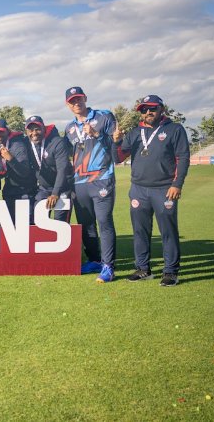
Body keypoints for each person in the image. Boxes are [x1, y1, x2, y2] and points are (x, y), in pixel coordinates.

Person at [113, 95, 190, 286]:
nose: (148, 112)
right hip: (139, 189)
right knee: (140, 231)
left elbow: (183, 157)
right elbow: (118, 158)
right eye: (144, 109)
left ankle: (170, 271)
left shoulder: (174, 129)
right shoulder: (134, 133)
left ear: (162, 109)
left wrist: (177, 184)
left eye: (152, 108)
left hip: (164, 189)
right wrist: (116, 142)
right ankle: (142, 269)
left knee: (168, 232)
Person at [63, 86, 118, 282]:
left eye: (79, 99)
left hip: (102, 177)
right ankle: (95, 260)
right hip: (80, 182)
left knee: (104, 222)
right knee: (86, 225)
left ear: (85, 98)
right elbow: (65, 156)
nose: (76, 103)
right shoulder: (69, 128)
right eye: (72, 101)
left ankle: (108, 266)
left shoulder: (104, 117)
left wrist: (97, 134)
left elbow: (117, 145)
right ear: (67, 104)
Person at [25, 116, 74, 222]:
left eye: (37, 129)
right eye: (30, 130)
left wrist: (55, 193)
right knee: (38, 218)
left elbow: (63, 169)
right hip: (44, 188)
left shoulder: (57, 142)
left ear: (44, 128)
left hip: (63, 188)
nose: (34, 133)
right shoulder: (27, 144)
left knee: (60, 222)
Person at [0, 118, 37, 223]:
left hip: (25, 191)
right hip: (10, 190)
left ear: (7, 130)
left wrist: (10, 159)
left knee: (26, 229)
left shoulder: (17, 145)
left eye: (1, 131)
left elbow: (24, 172)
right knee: (11, 228)